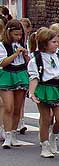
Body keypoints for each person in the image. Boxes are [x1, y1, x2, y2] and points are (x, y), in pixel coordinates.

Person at [27, 28, 59, 158]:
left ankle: (53, 137)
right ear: (44, 44)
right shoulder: (36, 60)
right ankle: (44, 146)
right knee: (46, 119)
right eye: (54, 42)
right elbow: (34, 78)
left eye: (57, 41)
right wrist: (32, 93)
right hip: (44, 88)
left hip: (57, 89)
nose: (57, 43)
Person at [0, 20, 29, 148]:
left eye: (20, 35)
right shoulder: (2, 45)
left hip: (21, 73)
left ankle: (13, 134)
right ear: (9, 33)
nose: (18, 37)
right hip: (7, 75)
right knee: (8, 107)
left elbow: (28, 63)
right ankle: (6, 135)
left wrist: (26, 55)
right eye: (16, 34)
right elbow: (3, 63)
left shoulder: (23, 44)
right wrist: (15, 54)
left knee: (17, 108)